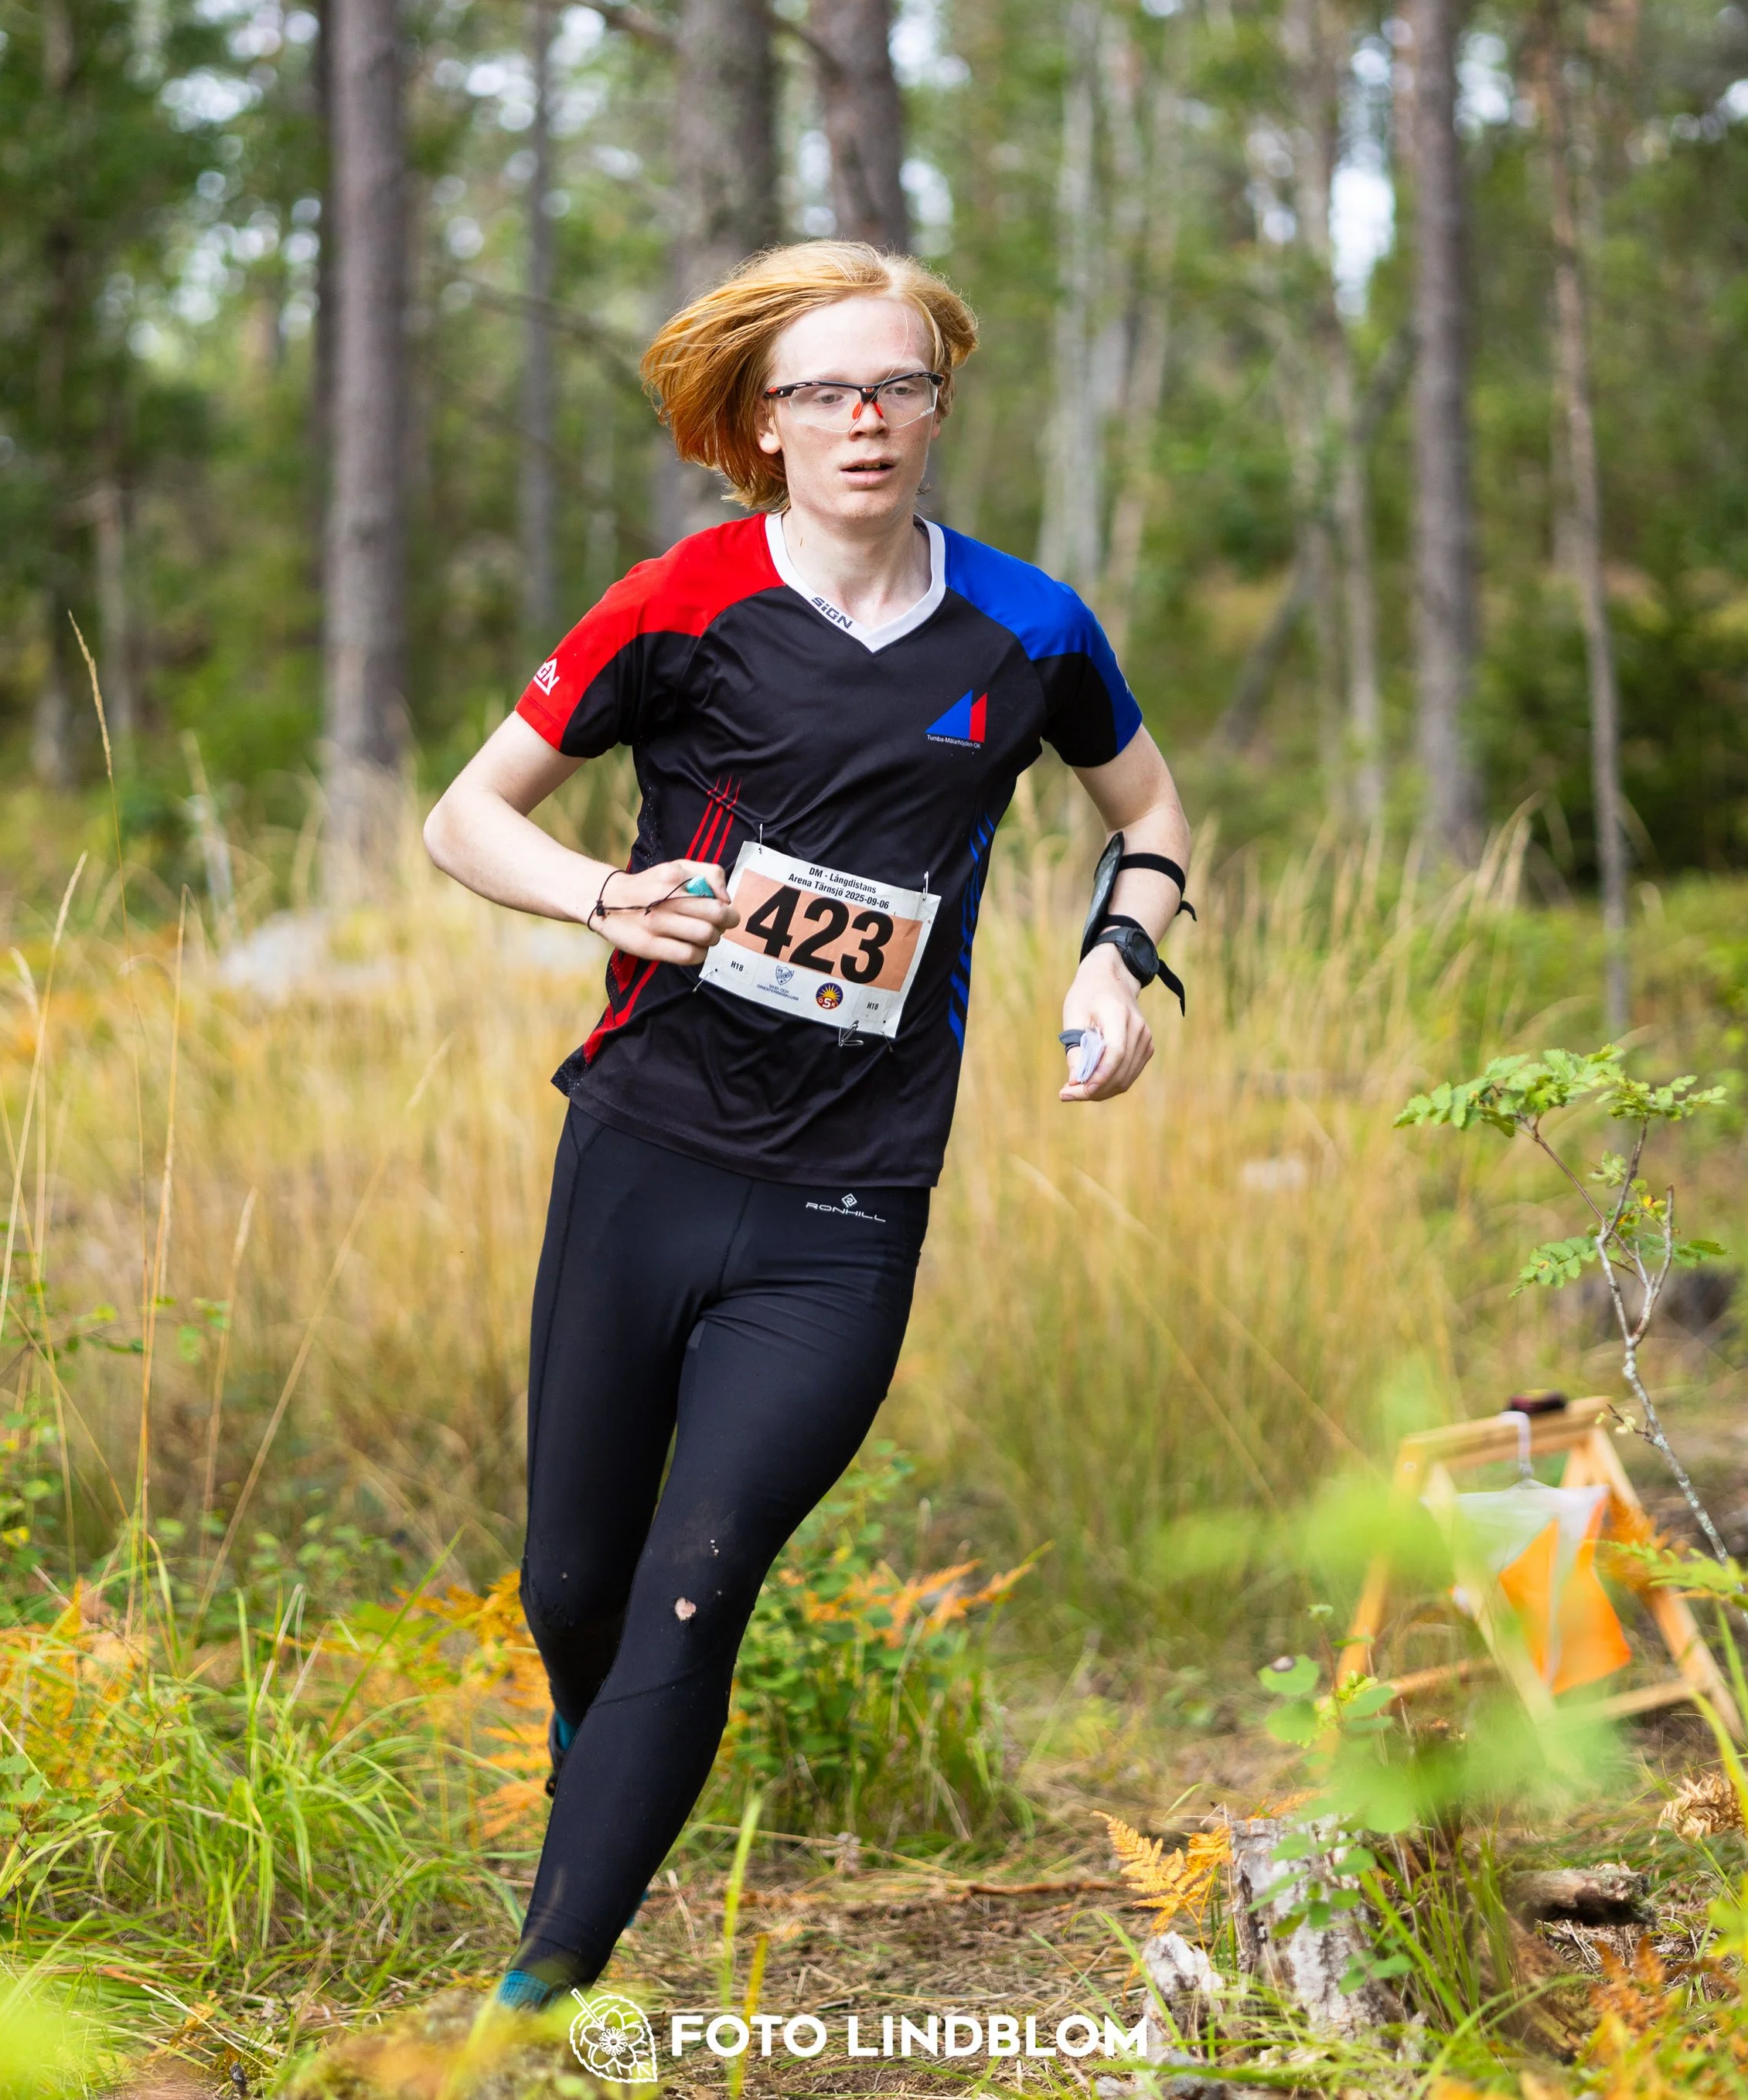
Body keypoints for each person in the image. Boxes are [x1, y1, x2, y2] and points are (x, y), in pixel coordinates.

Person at [422, 239, 1192, 2009]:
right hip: (642, 1150)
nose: (866, 419)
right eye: (825, 391)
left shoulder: (1027, 624)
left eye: (900, 385)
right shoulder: (678, 600)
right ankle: (595, 1782)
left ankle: (525, 2004)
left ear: (937, 405)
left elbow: (1147, 812)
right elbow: (469, 815)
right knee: (573, 1588)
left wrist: (1116, 964)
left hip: (848, 1201)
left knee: (697, 1585)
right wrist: (599, 900)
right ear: (758, 423)